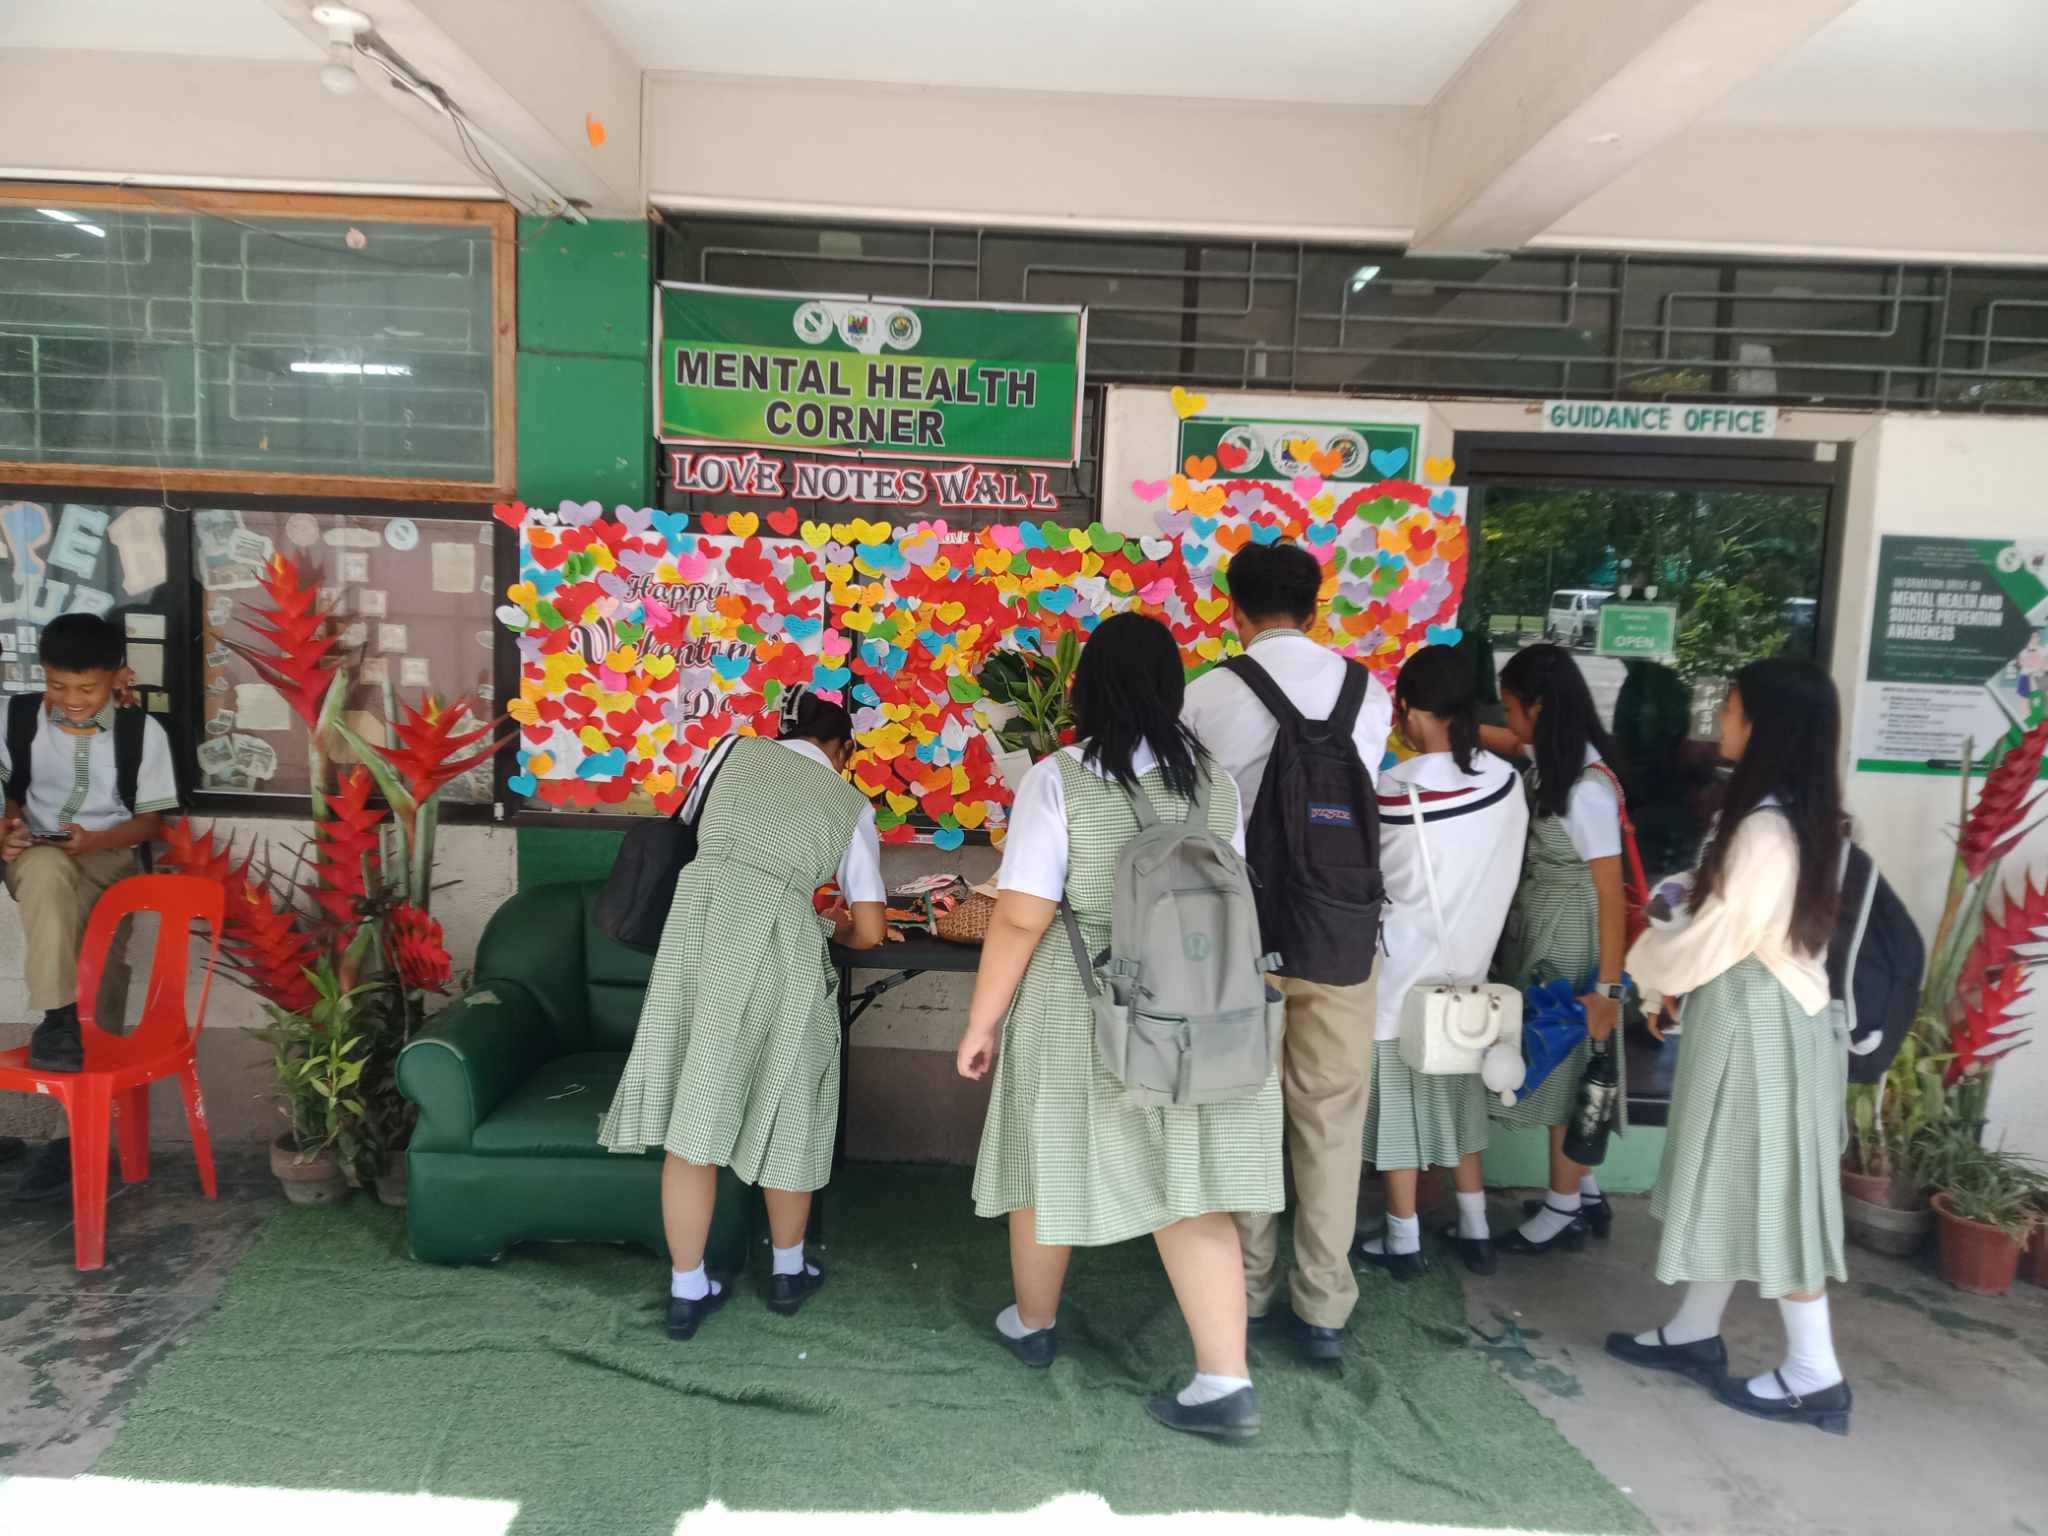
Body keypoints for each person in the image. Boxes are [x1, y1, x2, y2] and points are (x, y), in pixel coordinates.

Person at [959, 612, 1282, 1442]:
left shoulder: (1060, 778)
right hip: (1202, 1009)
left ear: (1086, 689)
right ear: (1173, 690)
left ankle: (1034, 1324)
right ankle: (1226, 1381)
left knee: (1046, 1157)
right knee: (1191, 1186)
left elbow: (1021, 918)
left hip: (1083, 1000)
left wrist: (981, 1022)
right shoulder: (1216, 784)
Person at [1608, 657, 1852, 1435]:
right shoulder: (1793, 814)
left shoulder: (1765, 827)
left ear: (1766, 724)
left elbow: (1716, 933)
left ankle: (1815, 1373)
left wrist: (1651, 974)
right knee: (1730, 1175)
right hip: (1761, 1013)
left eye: (1733, 708)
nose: (1720, 721)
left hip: (1758, 1019)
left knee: (1770, 1189)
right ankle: (1693, 1332)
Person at [598, 689, 887, 1341]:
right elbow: (869, 931)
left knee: (692, 1115)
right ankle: (787, 1272)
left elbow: (693, 832)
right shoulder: (850, 804)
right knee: (790, 1106)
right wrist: (830, 919)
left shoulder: (731, 750)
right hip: (782, 952)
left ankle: (686, 1290)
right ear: (842, 748)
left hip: (700, 936)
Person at [1179, 541, 1392, 1363]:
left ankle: (1248, 1289)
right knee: (1331, 1121)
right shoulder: (1369, 695)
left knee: (1244, 1111)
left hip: (1241, 936)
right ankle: (1325, 1306)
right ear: (1315, 607)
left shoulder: (1207, 696)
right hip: (1342, 938)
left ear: (1233, 609)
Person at [1353, 646, 1528, 1279]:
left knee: (1400, 1110)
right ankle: (1475, 1227)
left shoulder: (1396, 790)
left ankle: (1403, 1239)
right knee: (1460, 1100)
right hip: (1472, 974)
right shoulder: (1508, 782)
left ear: (1406, 709)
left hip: (1402, 976)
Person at [2, 614, 178, 1203]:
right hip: (38, 856)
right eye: (58, 686)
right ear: (43, 675)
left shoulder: (141, 732)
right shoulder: (16, 718)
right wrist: (7, 829)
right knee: (46, 871)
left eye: (88, 688)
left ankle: (71, 1136)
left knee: (102, 973)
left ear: (117, 677)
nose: (72, 700)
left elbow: (151, 823)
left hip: (109, 858)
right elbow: (5, 797)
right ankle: (57, 1017)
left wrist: (95, 839)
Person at [1490, 644, 1631, 1254]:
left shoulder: (1584, 790)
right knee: (1564, 1064)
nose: (1508, 719)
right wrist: (1456, 729)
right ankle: (1587, 1192)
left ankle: (1563, 1208)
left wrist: (1607, 989)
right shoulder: (1557, 760)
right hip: (1549, 930)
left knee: (1565, 1068)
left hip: (1573, 942)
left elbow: (1610, 894)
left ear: (1540, 707)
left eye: (1511, 707)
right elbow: (1511, 741)